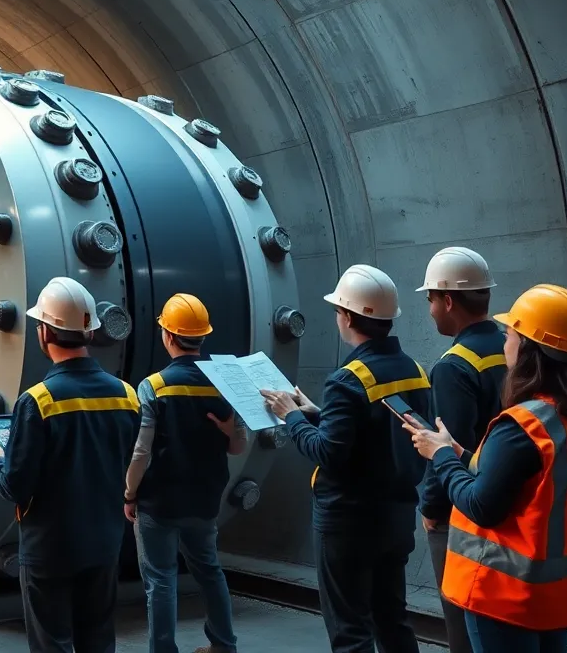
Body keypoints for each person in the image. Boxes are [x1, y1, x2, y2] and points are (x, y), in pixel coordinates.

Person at [406, 284, 567, 653]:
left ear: (530, 348)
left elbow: (481, 505)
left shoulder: (522, 425)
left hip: (502, 596)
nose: (505, 341)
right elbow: (531, 479)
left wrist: (441, 457)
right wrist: (460, 452)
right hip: (553, 596)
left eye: (511, 334)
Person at [261, 264, 427, 653]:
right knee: (392, 620)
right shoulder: (414, 370)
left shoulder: (348, 378)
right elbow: (370, 433)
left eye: (338, 310)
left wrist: (292, 416)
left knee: (350, 628)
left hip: (349, 523)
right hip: (396, 517)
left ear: (348, 317)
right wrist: (319, 413)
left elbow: (328, 453)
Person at [0, 277, 141, 652]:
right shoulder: (126, 395)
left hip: (50, 549)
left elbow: (16, 486)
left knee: (52, 643)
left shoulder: (37, 401)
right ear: (89, 334)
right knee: (99, 640)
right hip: (105, 543)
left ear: (44, 333)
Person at [124, 294, 244, 653]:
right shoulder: (222, 383)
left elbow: (141, 451)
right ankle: (224, 645)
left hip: (158, 501)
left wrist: (130, 493)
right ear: (202, 337)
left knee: (160, 580)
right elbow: (238, 446)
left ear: (168, 336)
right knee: (209, 571)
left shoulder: (154, 386)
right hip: (204, 499)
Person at [415, 247, 505, 653]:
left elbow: (446, 447)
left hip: (462, 517)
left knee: (463, 627)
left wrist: (431, 511)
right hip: (508, 506)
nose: (431, 310)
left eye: (431, 299)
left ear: (448, 300)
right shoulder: (514, 346)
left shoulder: (454, 365)